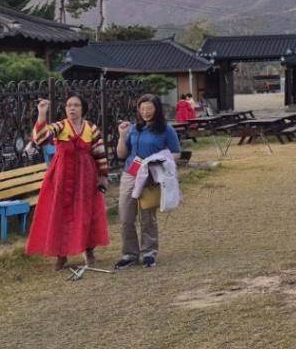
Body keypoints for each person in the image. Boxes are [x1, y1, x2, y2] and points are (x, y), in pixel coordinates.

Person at [26, 95, 110, 271]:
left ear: (82, 108)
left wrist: (103, 176)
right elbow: (40, 138)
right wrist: (42, 113)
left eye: (76, 105)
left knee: (87, 213)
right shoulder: (60, 126)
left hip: (86, 177)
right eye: (69, 105)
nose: (72, 108)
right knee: (60, 214)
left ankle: (89, 249)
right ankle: (61, 255)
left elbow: (100, 153)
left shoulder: (92, 129)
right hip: (62, 176)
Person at [115, 94, 181, 269]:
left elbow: (176, 153)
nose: (145, 112)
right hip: (130, 174)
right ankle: (129, 254)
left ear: (156, 109)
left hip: (151, 176)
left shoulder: (166, 130)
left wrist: (157, 160)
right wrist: (122, 136)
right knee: (126, 217)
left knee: (148, 218)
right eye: (142, 108)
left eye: (149, 108)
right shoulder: (133, 129)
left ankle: (149, 252)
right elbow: (121, 154)